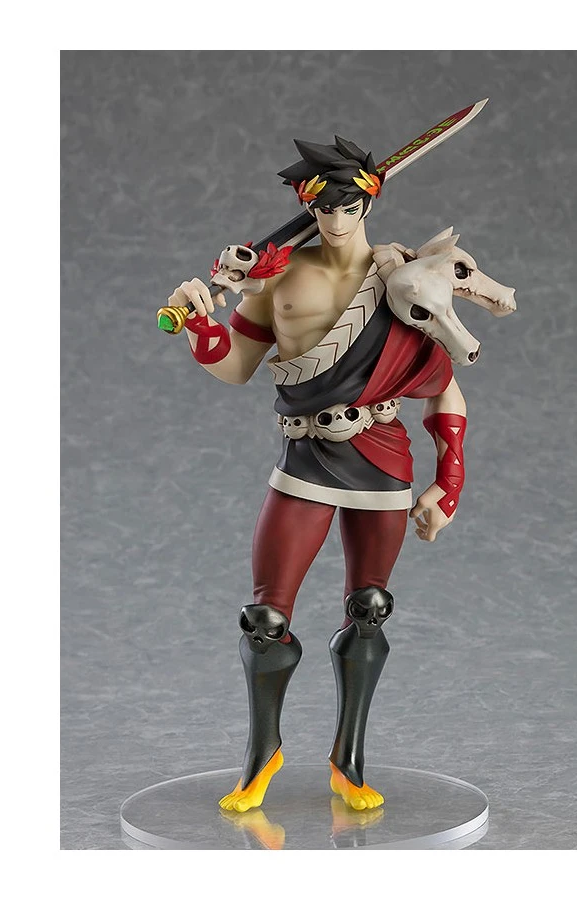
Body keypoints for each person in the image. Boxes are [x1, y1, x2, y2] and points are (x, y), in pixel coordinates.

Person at [168, 135, 468, 812]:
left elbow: (444, 385)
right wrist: (200, 327)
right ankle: (261, 755)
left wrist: (448, 484)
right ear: (308, 207)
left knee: (370, 611)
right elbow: (236, 366)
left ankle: (348, 761)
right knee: (265, 617)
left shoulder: (402, 280)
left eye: (348, 206)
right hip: (304, 457)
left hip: (381, 458)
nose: (336, 219)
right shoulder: (276, 276)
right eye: (324, 206)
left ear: (369, 203)